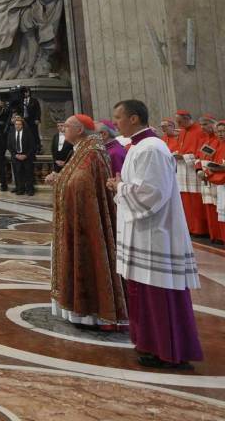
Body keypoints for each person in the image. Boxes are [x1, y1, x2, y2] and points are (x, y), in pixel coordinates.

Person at [108, 99, 202, 370]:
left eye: (119, 117)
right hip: (145, 233)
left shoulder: (151, 149)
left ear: (134, 118)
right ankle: (151, 345)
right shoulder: (140, 146)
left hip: (156, 234)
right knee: (145, 295)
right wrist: (122, 187)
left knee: (160, 297)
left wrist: (120, 188)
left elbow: (152, 194)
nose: (115, 122)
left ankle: (169, 351)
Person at [44, 115, 127, 330]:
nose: (64, 130)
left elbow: (81, 182)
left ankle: (94, 312)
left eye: (67, 126)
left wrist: (62, 180)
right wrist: (60, 179)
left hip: (88, 221)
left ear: (80, 130)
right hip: (75, 218)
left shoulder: (93, 153)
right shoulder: (83, 149)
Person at [171, 109, 209, 236]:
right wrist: (177, 154)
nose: (178, 125)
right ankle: (190, 227)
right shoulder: (182, 132)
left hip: (193, 171)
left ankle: (200, 229)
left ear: (187, 118)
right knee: (186, 201)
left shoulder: (199, 131)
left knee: (196, 202)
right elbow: (180, 147)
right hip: (182, 171)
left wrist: (184, 157)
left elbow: (202, 152)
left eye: (180, 122)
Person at [196, 119, 225, 244]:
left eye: (223, 131)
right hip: (220, 183)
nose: (220, 134)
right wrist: (206, 172)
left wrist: (209, 172)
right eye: (219, 131)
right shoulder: (219, 145)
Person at [7, 114, 39, 195]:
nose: (17, 126)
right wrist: (15, 155)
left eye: (19, 124)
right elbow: (9, 146)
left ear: (22, 125)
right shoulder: (11, 133)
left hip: (27, 157)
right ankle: (20, 189)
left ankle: (30, 190)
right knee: (18, 174)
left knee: (28, 174)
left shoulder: (28, 133)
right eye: (16, 124)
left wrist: (26, 155)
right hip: (16, 157)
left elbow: (32, 146)